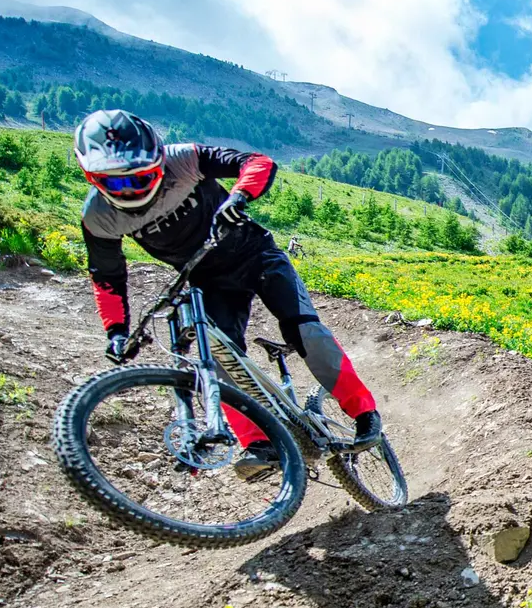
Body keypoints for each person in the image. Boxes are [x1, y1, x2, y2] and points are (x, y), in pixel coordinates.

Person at [72, 109, 381, 475]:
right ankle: (260, 445)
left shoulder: (183, 159)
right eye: (117, 183)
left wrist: (239, 196)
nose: (131, 189)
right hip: (209, 281)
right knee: (221, 359)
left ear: (158, 159)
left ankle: (364, 413)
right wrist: (116, 332)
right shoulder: (98, 217)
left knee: (305, 331)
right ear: (93, 178)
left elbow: (257, 162)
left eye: (141, 176)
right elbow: (107, 277)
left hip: (257, 255)